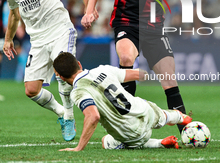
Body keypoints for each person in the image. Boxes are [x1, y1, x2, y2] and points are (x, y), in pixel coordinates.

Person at [81, 0, 188, 133]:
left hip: (154, 30)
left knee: (168, 76)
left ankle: (186, 128)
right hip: (127, 24)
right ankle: (128, 123)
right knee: (127, 58)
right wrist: (89, 10)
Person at [0, 0, 96, 141]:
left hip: (60, 30)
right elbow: (14, 14)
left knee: (63, 73)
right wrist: (8, 39)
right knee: (31, 90)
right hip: (37, 39)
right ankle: (62, 113)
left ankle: (70, 115)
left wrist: (88, 7)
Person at [53, 52, 193, 151]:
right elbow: (140, 74)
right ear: (79, 64)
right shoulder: (103, 69)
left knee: (106, 141)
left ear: (61, 77)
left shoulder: (78, 92)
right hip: (146, 110)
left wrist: (79, 147)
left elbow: (93, 116)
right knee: (157, 113)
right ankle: (178, 116)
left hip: (132, 133)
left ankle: (158, 144)